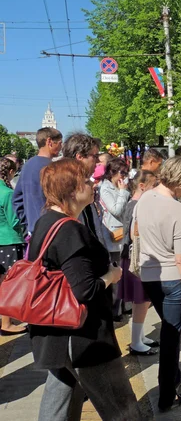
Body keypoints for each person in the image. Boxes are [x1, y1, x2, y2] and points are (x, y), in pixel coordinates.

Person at [28, 158, 142, 420]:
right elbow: (85, 290)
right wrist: (111, 276)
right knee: (121, 407)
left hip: (53, 333)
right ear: (71, 190)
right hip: (82, 338)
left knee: (60, 402)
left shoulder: (47, 222)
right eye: (85, 181)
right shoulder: (69, 231)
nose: (93, 184)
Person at [136, 156, 181, 412]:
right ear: (177, 181)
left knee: (167, 329)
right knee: (170, 336)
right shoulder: (177, 210)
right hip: (172, 280)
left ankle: (174, 376)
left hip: (149, 275)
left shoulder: (144, 197)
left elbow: (138, 233)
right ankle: (167, 396)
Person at [119, 170, 159, 356]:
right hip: (137, 258)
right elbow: (136, 234)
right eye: (153, 185)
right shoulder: (137, 205)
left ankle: (140, 336)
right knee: (142, 300)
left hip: (131, 257)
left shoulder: (133, 203)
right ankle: (136, 341)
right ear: (142, 186)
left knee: (141, 301)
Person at [98, 158, 131, 321]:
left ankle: (122, 306)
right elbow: (116, 210)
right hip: (112, 237)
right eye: (122, 173)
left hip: (122, 233)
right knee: (116, 275)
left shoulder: (116, 186)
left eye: (126, 173)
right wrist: (123, 191)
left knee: (123, 272)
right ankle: (115, 310)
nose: (124, 176)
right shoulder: (105, 189)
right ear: (112, 172)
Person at [13, 127, 63, 235]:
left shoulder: (27, 166)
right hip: (52, 229)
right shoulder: (52, 168)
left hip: (35, 230)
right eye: (59, 143)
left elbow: (17, 199)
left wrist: (28, 225)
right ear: (49, 142)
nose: (61, 147)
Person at [0, 158, 27, 336]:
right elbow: (15, 221)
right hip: (10, 241)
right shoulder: (7, 193)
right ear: (10, 172)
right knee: (7, 284)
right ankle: (6, 322)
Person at [61, 133, 101, 235]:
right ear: (80, 157)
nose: (98, 161)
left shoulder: (80, 184)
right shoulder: (64, 186)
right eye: (95, 156)